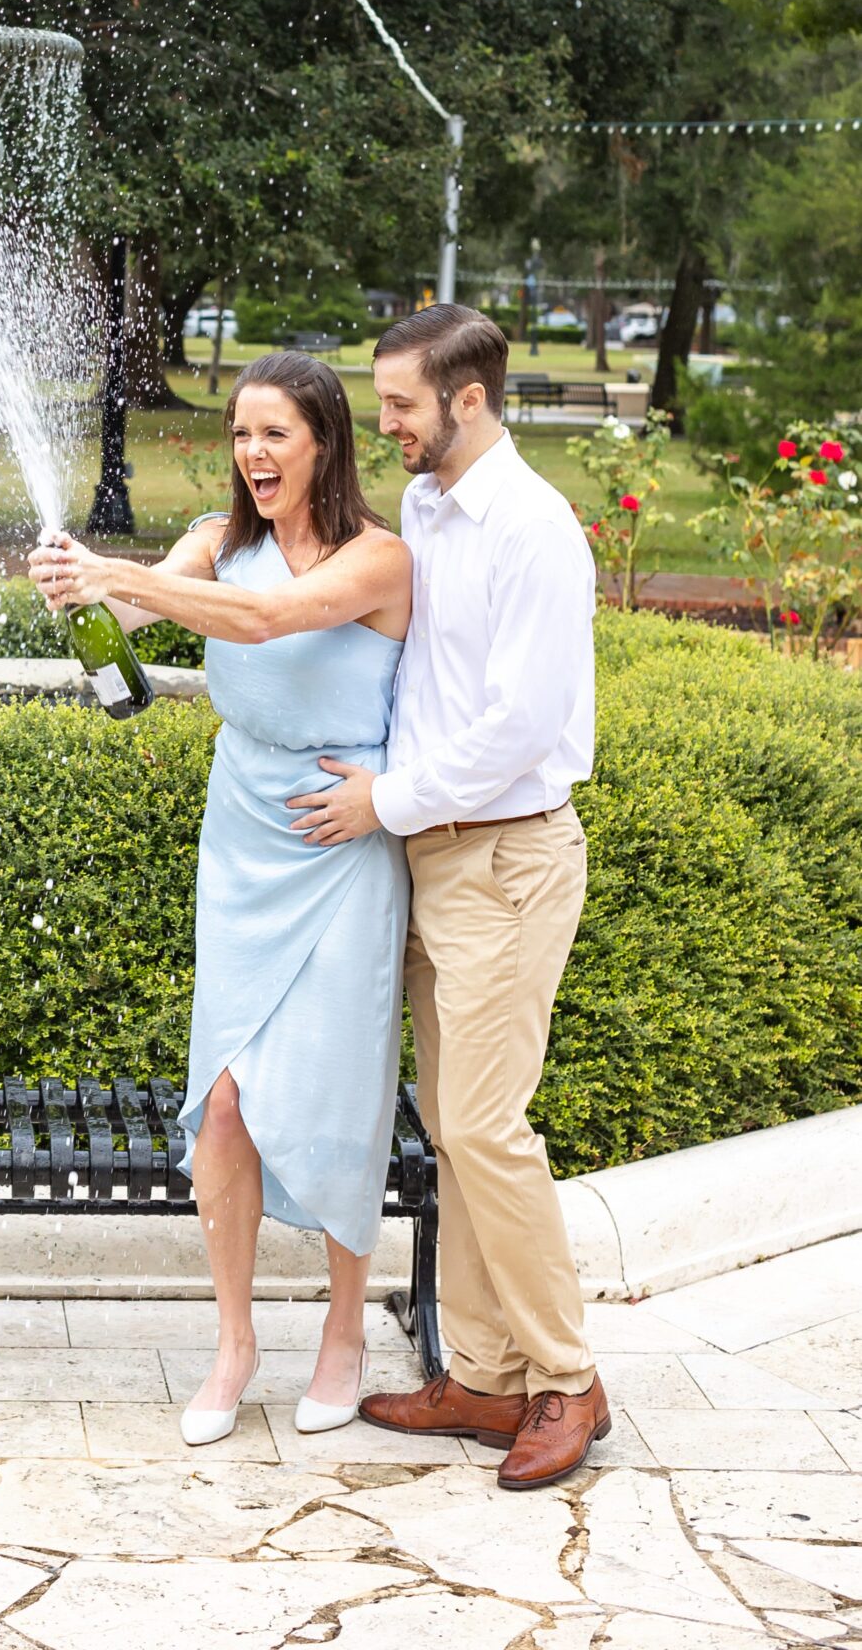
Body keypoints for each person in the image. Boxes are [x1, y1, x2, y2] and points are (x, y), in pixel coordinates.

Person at [30, 352, 411, 1446]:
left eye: (276, 435)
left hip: (343, 835)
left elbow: (263, 624)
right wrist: (79, 587)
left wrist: (120, 577)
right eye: (242, 433)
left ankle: (345, 1330)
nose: (253, 454)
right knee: (229, 1100)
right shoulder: (217, 538)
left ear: (325, 444)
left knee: (337, 1097)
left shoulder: (379, 559)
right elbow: (150, 613)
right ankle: (236, 1342)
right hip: (244, 829)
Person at [289, 301, 607, 1491]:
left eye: (404, 407)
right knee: (453, 1126)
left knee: (484, 1123)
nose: (389, 427)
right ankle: (482, 1373)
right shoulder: (425, 505)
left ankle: (568, 1378)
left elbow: (515, 728)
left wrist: (388, 797)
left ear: (468, 400)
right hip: (436, 854)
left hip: (506, 852)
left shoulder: (536, 529)